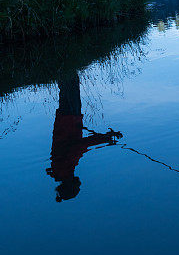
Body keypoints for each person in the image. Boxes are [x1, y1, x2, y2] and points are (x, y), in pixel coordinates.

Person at [46, 70, 123, 201]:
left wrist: (105, 138)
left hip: (69, 119)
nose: (80, 185)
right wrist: (105, 137)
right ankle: (61, 65)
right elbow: (80, 145)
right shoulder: (60, 170)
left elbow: (82, 146)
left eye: (77, 187)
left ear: (71, 185)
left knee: (70, 82)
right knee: (66, 85)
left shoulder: (66, 167)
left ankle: (64, 62)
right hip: (65, 120)